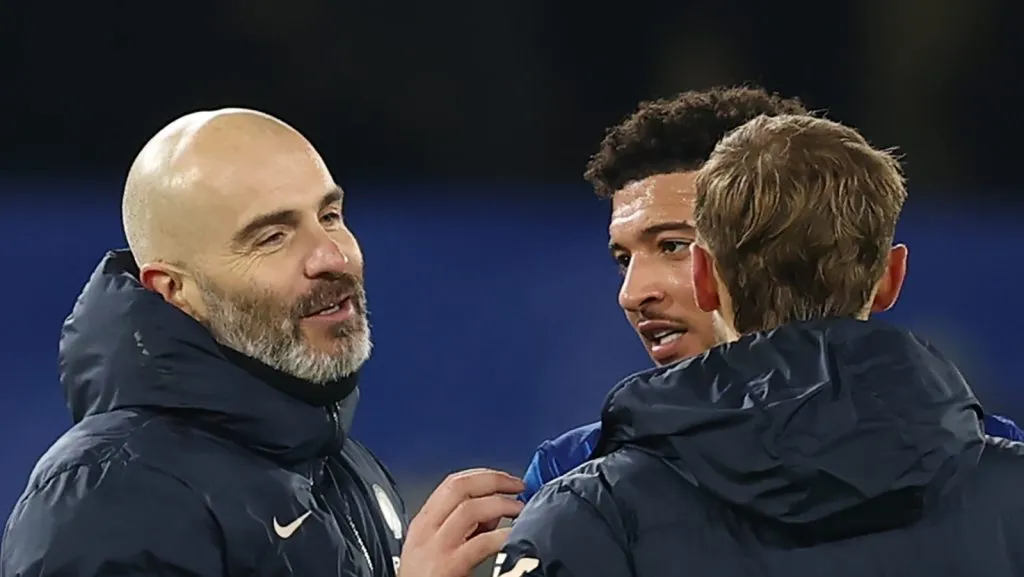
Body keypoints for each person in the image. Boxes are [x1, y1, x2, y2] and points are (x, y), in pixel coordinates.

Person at [0, 109, 522, 577]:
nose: (332, 257)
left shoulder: (345, 468)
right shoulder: (110, 493)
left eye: (330, 216)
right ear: (175, 291)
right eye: (272, 237)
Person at [497, 114, 1024, 577]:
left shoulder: (586, 506)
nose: (632, 293)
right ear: (890, 277)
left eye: (675, 245)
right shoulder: (998, 476)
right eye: (622, 259)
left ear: (706, 273)